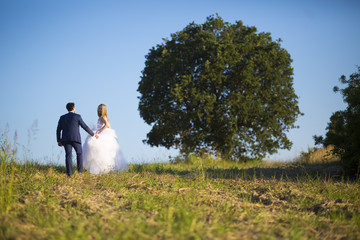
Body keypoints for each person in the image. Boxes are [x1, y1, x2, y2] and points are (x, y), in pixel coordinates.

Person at [83, 104, 128, 174]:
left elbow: (107, 125)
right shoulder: (101, 117)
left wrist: (99, 131)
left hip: (103, 134)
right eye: (98, 109)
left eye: (101, 109)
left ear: (104, 110)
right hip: (102, 133)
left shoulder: (103, 117)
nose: (99, 110)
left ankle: (103, 168)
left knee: (98, 148)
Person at [57, 102, 99, 176]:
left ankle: (69, 173)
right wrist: (93, 134)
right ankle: (80, 171)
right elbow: (85, 127)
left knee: (68, 155)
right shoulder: (77, 116)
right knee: (79, 154)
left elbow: (58, 130)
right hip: (75, 139)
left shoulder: (62, 117)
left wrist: (59, 140)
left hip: (65, 139)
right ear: (73, 108)